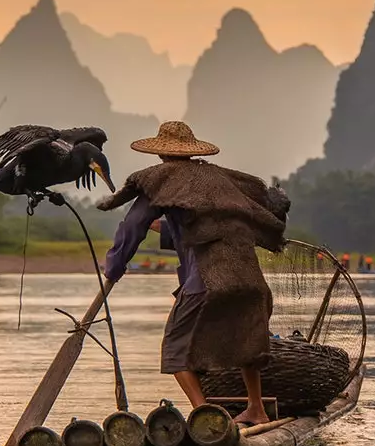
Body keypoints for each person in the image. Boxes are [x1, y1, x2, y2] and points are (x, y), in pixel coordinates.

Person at [97, 120, 290, 427]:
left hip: (208, 279)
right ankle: (256, 408)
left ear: (160, 154)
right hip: (249, 278)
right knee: (247, 343)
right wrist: (157, 227)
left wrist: (114, 267)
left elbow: (131, 228)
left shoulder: (159, 181)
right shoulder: (216, 179)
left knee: (175, 351)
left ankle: (205, 416)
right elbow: (201, 229)